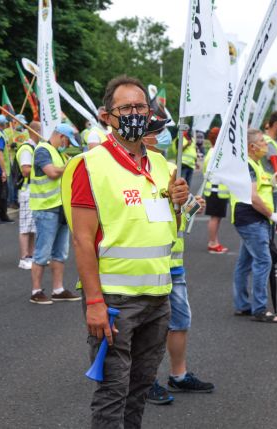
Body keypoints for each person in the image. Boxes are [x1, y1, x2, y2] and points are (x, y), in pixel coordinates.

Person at [62, 76, 189, 427]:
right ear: (107, 116)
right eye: (126, 108)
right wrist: (94, 303)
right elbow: (82, 241)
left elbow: (169, 230)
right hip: (116, 301)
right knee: (112, 392)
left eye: (141, 107)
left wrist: (178, 206)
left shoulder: (161, 165)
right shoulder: (90, 165)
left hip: (158, 297)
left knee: (140, 388)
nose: (135, 114)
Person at [142, 119, 214, 405]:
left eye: (162, 132)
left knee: (180, 321)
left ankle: (179, 375)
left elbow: (177, 218)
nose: (162, 137)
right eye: (156, 133)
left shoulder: (169, 169)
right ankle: (145, 381)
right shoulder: (132, 172)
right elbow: (144, 214)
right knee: (148, 327)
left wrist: (190, 205)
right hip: (147, 265)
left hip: (174, 263)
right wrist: (175, 204)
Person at [230, 129, 277, 323]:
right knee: (263, 261)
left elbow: (259, 186)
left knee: (244, 263)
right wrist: (272, 214)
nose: (266, 145)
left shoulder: (254, 164)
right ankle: (259, 309)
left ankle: (242, 304)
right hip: (252, 219)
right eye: (262, 142)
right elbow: (253, 197)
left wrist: (273, 180)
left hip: (252, 219)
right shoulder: (248, 166)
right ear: (252, 147)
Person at [28, 123, 81, 304]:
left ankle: (58, 290)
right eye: (67, 141)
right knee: (42, 252)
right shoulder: (43, 150)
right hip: (45, 208)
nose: (67, 144)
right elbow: (51, 172)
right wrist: (68, 167)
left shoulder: (58, 152)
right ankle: (36, 291)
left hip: (60, 209)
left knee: (60, 253)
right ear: (60, 136)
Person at [16, 121, 39, 270]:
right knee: (25, 227)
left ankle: (30, 255)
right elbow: (25, 170)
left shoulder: (34, 148)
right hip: (27, 189)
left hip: (33, 190)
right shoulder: (26, 148)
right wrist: (43, 168)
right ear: (35, 131)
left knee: (32, 227)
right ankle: (24, 257)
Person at [203, 127, 230, 254]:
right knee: (215, 218)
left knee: (216, 217)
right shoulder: (217, 154)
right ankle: (212, 243)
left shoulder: (212, 152)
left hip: (215, 190)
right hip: (217, 191)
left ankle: (214, 241)